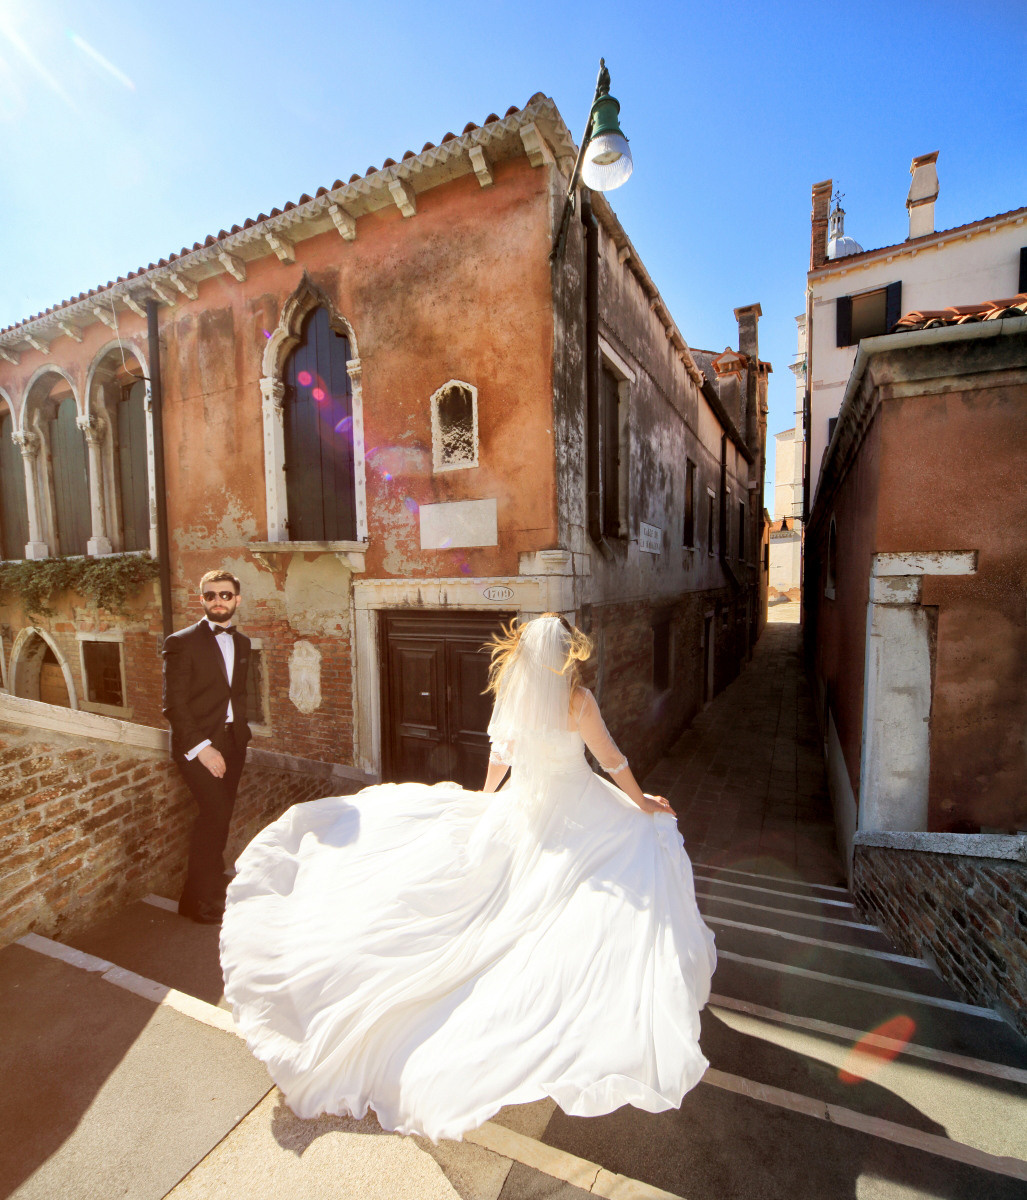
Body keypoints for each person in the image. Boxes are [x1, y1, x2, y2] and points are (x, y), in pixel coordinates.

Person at [220, 613, 715, 1142]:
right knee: (645, 843)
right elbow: (611, 762)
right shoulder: (579, 702)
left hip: (524, 805)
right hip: (574, 808)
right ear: (568, 654)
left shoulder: (514, 692)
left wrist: (484, 802)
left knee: (516, 893)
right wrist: (643, 803)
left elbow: (499, 755)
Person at [163, 570, 252, 924]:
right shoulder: (181, 642)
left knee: (222, 818)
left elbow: (237, 693)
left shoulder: (242, 643)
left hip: (234, 742)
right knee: (212, 817)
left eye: (225, 595)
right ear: (201, 599)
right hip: (197, 746)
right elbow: (174, 705)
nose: (218, 601)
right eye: (211, 595)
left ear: (237, 599)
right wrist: (204, 748)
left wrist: (238, 734)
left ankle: (210, 887)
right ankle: (196, 903)